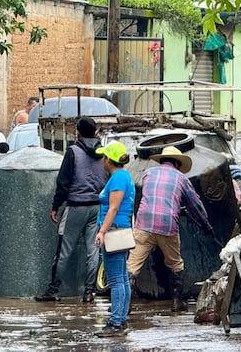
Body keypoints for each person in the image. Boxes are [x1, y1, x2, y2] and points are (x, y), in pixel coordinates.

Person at [126, 146, 215, 313]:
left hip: (144, 223)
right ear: (177, 163)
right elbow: (195, 205)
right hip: (167, 225)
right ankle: (176, 302)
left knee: (132, 265)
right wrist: (206, 226)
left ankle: (125, 304)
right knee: (175, 263)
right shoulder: (181, 178)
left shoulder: (148, 174)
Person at [35, 117, 106, 303]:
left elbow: (63, 182)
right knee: (93, 251)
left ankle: (53, 290)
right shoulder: (103, 152)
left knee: (64, 251)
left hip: (75, 207)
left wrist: (55, 206)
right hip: (96, 207)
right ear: (95, 132)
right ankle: (89, 292)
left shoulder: (73, 152)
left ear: (78, 132)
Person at [94, 140, 135, 337]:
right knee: (122, 278)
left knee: (116, 279)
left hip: (114, 230)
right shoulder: (124, 176)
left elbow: (113, 208)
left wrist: (102, 231)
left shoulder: (118, 178)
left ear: (109, 160)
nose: (102, 160)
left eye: (104, 157)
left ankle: (116, 322)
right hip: (120, 229)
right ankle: (121, 319)